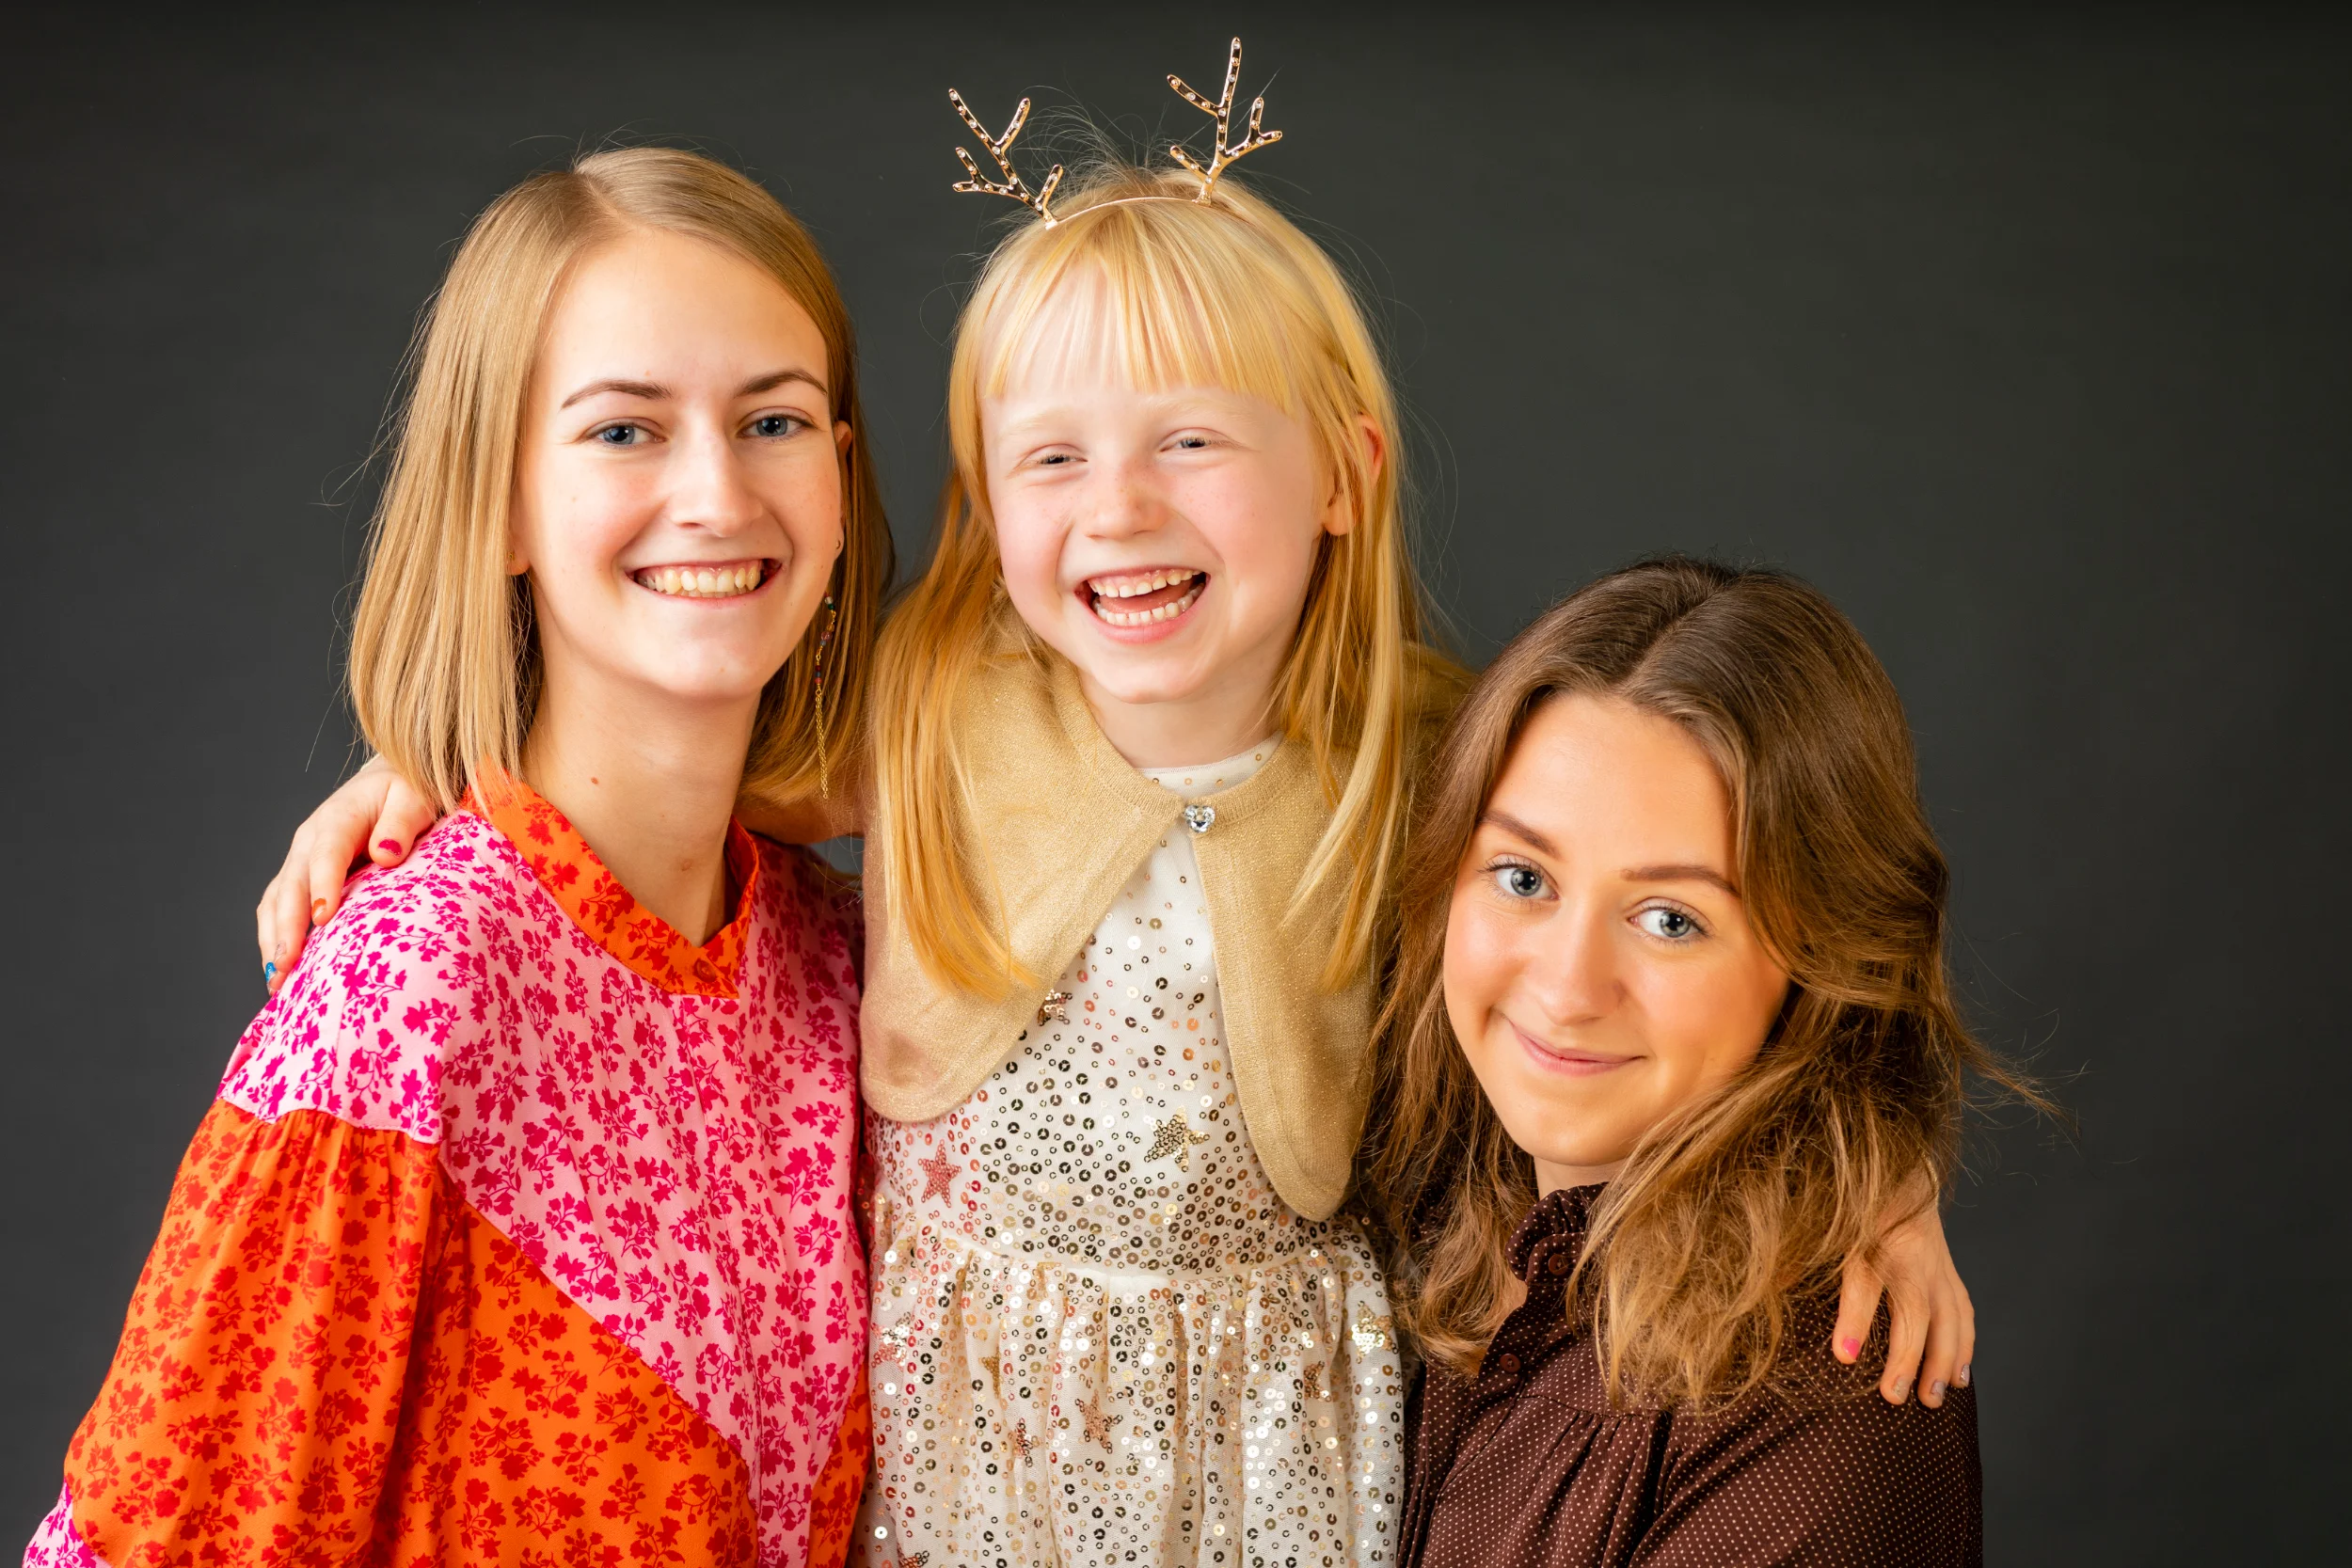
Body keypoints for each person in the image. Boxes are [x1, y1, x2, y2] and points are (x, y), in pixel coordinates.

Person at [239, 47, 1977, 1568]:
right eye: (1054, 457)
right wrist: (443, 763)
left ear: (1347, 478)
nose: (1122, 509)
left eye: (1194, 443)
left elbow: (1708, 942)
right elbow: (657, 757)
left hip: (1281, 1455)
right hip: (973, 1446)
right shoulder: (934, 715)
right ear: (992, 505)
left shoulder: (1425, 757)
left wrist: (1883, 1182)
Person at [26, 148, 889, 1568]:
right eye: (624, 431)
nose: (719, 494)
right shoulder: (410, 990)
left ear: (840, 482)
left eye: (774, 420)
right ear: (497, 501)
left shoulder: (830, 951)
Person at [1365, 558, 2041, 1567]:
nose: (1565, 985)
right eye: (1522, 875)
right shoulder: (1407, 1199)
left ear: (1815, 963)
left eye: (1670, 918)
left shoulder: (1828, 1410)